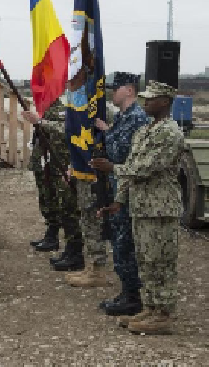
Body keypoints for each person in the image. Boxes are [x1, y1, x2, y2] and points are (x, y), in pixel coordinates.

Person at [92, 81, 184, 335]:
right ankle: (151, 307)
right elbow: (131, 169)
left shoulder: (169, 132)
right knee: (145, 261)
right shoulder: (145, 132)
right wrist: (118, 201)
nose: (146, 103)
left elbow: (144, 168)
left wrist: (112, 168)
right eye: (145, 98)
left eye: (152, 99)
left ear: (165, 102)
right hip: (141, 207)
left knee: (161, 261)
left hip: (160, 208)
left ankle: (163, 314)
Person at [90, 72, 149, 316]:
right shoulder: (123, 117)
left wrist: (108, 133)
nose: (112, 93)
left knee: (126, 243)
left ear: (129, 90)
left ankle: (133, 296)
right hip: (118, 186)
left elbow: (123, 152)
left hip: (129, 189)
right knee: (118, 240)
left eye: (116, 88)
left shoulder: (137, 118)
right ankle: (127, 291)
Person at [22, 101, 84, 271]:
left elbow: (66, 131)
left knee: (67, 207)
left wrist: (40, 121)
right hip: (44, 163)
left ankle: (73, 249)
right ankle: (52, 234)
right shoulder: (43, 109)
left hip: (59, 164)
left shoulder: (65, 110)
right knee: (46, 199)